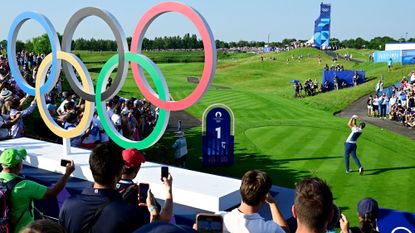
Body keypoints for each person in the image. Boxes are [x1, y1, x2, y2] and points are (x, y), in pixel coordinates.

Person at [59, 142, 154, 233]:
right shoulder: (130, 213)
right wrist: (154, 214)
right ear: (120, 174)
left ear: (92, 169)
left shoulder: (68, 205)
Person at [0, 148, 75, 233]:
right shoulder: (25, 185)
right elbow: (52, 193)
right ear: (19, 165)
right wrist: (67, 174)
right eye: (22, 160)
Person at [221, 170, 289, 233]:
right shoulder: (270, 229)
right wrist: (273, 203)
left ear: (241, 191)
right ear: (264, 197)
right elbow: (284, 231)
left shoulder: (219, 218)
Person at [117, 148, 173, 222]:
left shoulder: (106, 186)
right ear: (137, 169)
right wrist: (168, 188)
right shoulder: (139, 192)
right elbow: (158, 215)